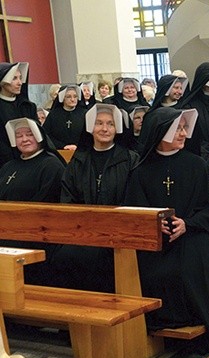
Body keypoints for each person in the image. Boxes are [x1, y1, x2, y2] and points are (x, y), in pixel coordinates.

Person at [125, 106, 209, 353]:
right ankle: (168, 322)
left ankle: (202, 324)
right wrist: (160, 226)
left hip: (196, 233)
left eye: (184, 128)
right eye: (177, 128)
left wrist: (187, 224)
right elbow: (136, 212)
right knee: (159, 270)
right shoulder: (140, 172)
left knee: (199, 265)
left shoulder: (198, 165)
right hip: (158, 241)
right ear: (161, 132)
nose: (183, 133)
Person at [55, 104, 139, 292]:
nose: (104, 128)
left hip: (119, 233)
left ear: (117, 128)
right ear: (89, 127)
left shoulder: (130, 159)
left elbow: (135, 198)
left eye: (110, 124)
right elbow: (68, 197)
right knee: (63, 256)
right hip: (84, 231)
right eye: (99, 123)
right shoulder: (78, 160)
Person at [0, 118, 66, 285]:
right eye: (19, 136)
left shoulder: (51, 165)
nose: (24, 139)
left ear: (39, 136)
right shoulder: (9, 166)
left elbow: (45, 204)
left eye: (29, 134)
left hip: (34, 235)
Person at [0, 62, 38, 167]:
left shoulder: (28, 106)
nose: (20, 82)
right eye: (14, 78)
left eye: (20, 78)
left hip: (31, 158)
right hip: (4, 163)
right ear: (3, 82)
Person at [43, 85, 87, 150]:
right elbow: (46, 134)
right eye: (69, 97)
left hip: (81, 151)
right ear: (62, 98)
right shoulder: (53, 115)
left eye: (75, 96)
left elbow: (89, 134)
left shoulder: (85, 114)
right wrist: (62, 146)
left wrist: (77, 146)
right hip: (58, 152)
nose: (72, 99)